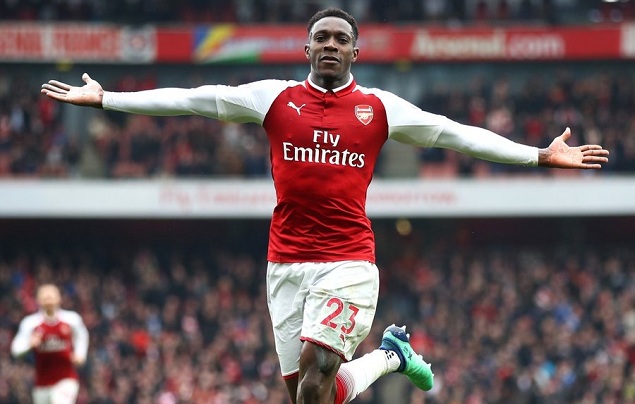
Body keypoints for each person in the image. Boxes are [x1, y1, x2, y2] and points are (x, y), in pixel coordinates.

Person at [40, 7, 609, 404]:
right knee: (311, 396)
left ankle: (387, 353)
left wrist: (537, 155)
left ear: (356, 51)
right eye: (322, 38)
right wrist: (107, 99)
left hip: (349, 261)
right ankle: (391, 356)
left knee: (317, 379)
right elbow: (193, 100)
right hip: (284, 265)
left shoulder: (378, 107)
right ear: (307, 48)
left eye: (341, 39)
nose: (331, 45)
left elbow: (454, 134)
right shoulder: (274, 99)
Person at [11, 284, 89, 404]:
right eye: (44, 295)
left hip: (66, 379)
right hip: (42, 383)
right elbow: (16, 350)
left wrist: (80, 354)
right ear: (38, 300)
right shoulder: (30, 323)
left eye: (51, 295)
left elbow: (82, 336)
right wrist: (29, 344)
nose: (48, 297)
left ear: (59, 298)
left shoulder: (72, 319)